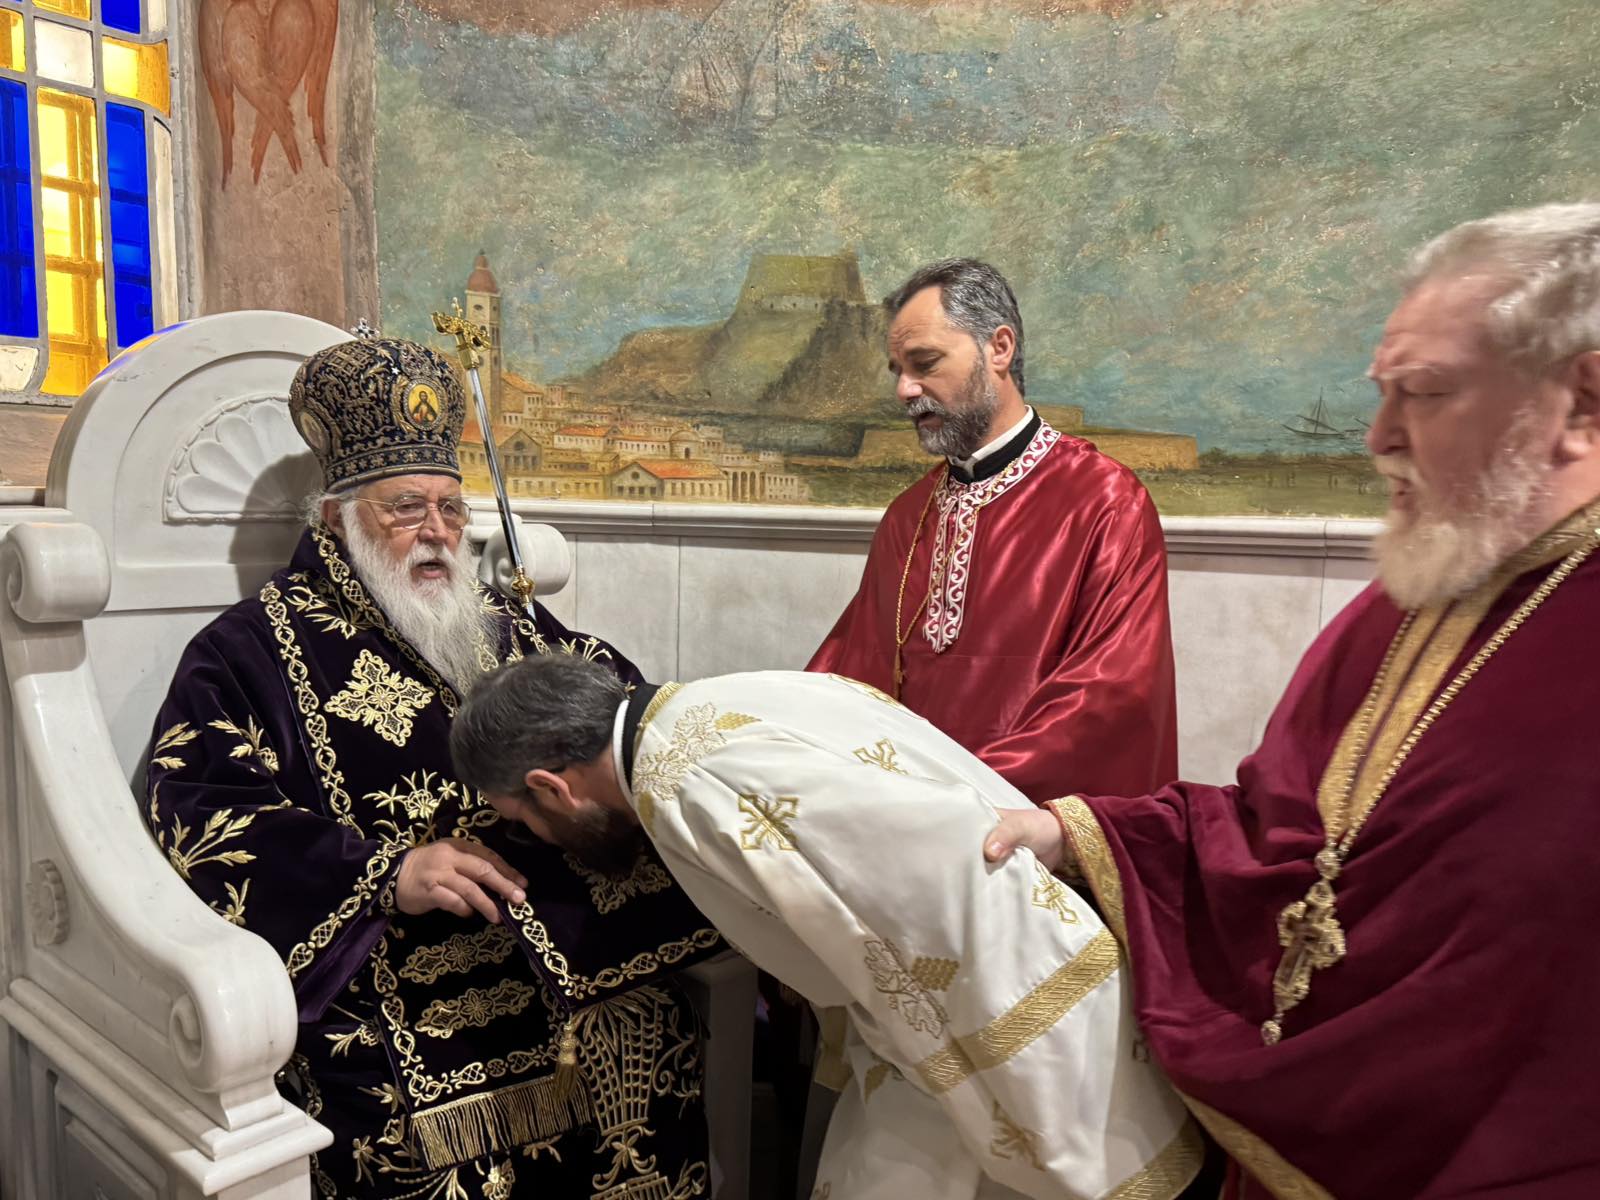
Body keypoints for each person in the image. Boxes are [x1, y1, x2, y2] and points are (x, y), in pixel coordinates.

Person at [985, 201, 1600, 1198]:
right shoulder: (1409, 599)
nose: (1379, 437)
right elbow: (1272, 830)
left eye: (1425, 393)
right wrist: (1080, 833)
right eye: (1381, 393)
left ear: (1581, 401)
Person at [143, 334, 712, 1199]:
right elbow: (203, 811)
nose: (438, 532)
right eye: (406, 508)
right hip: (391, 966)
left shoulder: (506, 623)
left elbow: (621, 709)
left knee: (656, 1023)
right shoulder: (245, 652)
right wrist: (388, 873)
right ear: (334, 517)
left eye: (451, 507)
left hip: (562, 945)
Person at [449, 654, 1204, 1200]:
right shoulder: (708, 701)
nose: (534, 838)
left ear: (552, 786)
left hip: (997, 1027)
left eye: (521, 818)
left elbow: (932, 875)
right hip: (985, 996)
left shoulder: (686, 787)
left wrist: (1020, 1095)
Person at [809, 258, 1177, 805]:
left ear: (999, 349)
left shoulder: (1105, 501)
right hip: (905, 816)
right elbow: (851, 675)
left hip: (1024, 826)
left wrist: (952, 794)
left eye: (924, 363)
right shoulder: (908, 516)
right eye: (897, 371)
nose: (905, 390)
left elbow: (1109, 699)